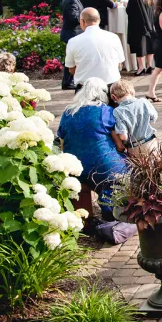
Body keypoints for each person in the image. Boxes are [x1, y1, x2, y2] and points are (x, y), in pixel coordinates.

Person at [56, 78, 128, 221]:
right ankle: (112, 215)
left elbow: (62, 142)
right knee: (124, 168)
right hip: (105, 167)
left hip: (75, 166)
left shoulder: (68, 112)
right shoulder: (106, 111)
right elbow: (120, 145)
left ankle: (86, 221)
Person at [64, 8, 125, 88]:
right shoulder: (114, 37)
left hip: (85, 87)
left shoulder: (73, 41)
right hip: (111, 86)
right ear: (99, 20)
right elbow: (119, 64)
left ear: (82, 21)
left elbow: (71, 68)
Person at [110, 79, 159, 154]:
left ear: (114, 97)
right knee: (157, 164)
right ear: (133, 92)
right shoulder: (143, 102)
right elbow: (153, 118)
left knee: (139, 166)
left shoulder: (118, 111)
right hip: (151, 142)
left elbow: (123, 136)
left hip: (134, 147)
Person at [126, 0, 156, 77]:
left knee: (140, 47)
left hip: (138, 25)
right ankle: (149, 66)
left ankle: (141, 67)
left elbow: (129, 11)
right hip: (150, 24)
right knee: (149, 45)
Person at [59, 0, 84, 90]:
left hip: (71, 32)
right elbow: (73, 18)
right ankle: (68, 82)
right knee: (72, 58)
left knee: (72, 58)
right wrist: (85, 20)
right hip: (72, 32)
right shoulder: (71, 0)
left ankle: (68, 81)